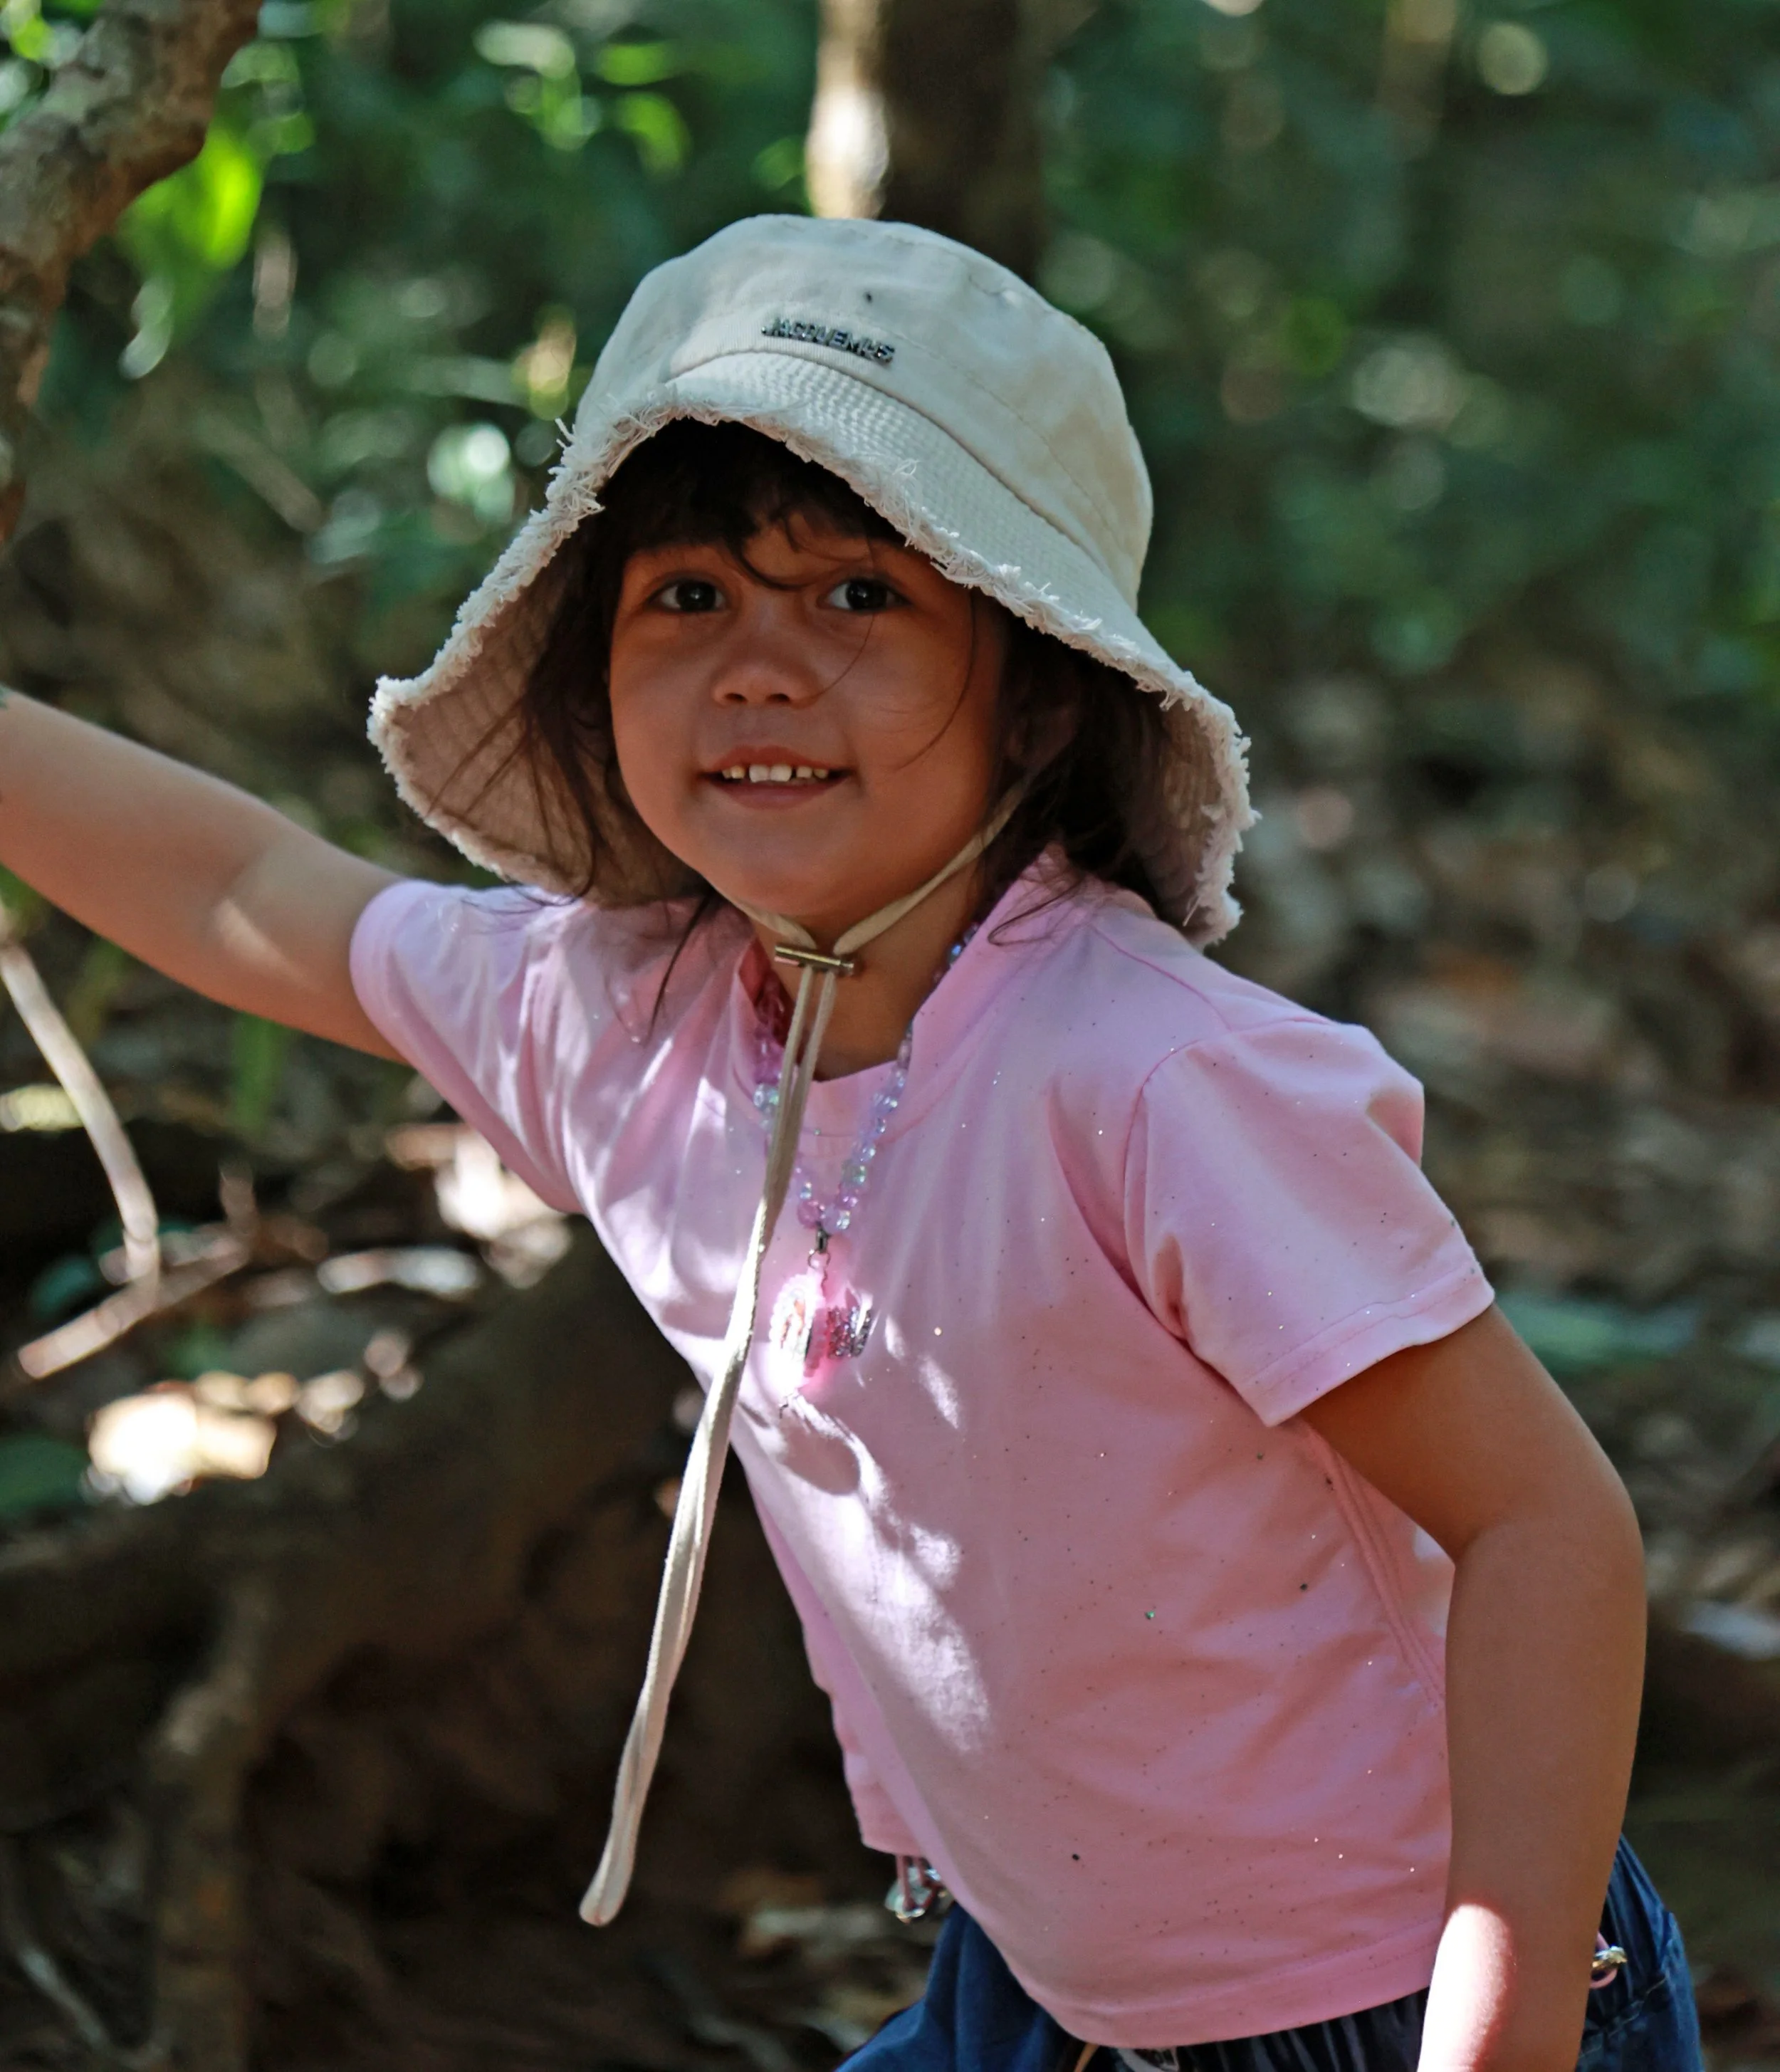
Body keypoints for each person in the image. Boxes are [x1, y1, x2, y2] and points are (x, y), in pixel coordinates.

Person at [0, 216, 1700, 2072]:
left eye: (859, 597)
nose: (759, 667)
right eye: (686, 597)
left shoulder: (1154, 1080)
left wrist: (1495, 2039)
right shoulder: (627, 1020)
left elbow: (1543, 1521)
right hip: (1047, 1988)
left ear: (1035, 688)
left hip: (1383, 1993)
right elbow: (249, 890)